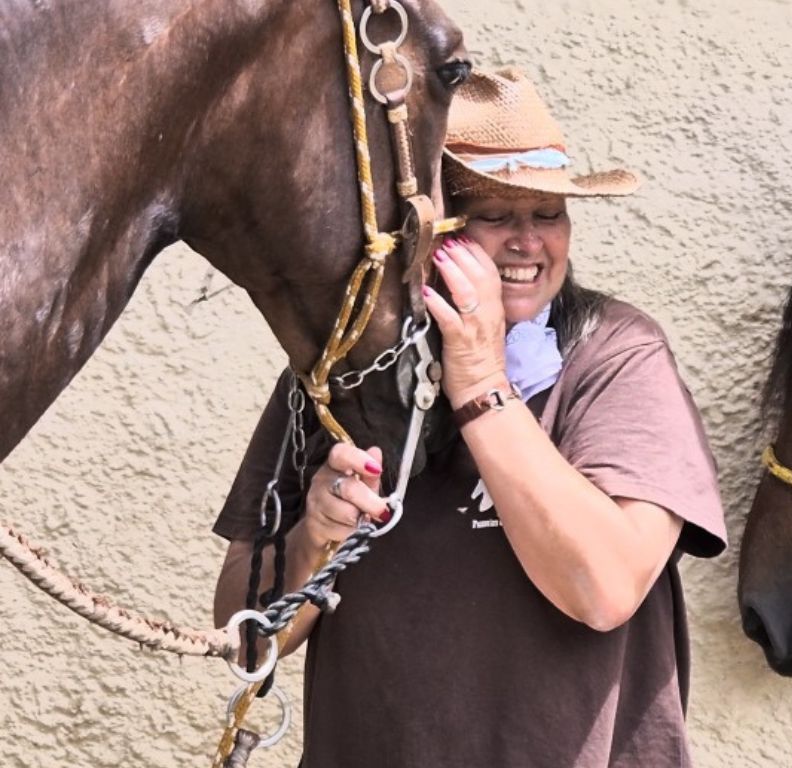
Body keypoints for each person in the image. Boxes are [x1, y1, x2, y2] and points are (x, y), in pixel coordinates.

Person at [212, 68, 727, 767]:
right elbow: (244, 638)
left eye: (547, 214)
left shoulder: (616, 354)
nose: (527, 242)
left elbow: (604, 589)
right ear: (430, 230)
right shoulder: (338, 368)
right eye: (491, 213)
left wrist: (481, 381)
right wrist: (316, 535)